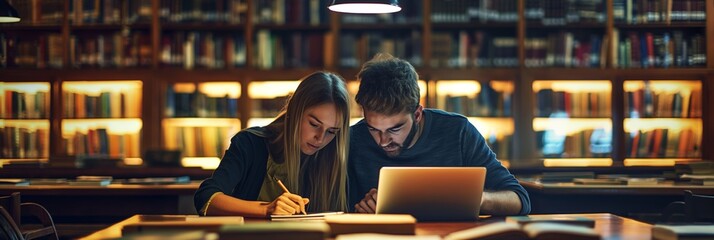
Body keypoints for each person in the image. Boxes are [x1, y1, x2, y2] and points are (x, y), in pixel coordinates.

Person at [348, 54, 531, 215]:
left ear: (417, 114)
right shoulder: (353, 139)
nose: (383, 141)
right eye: (373, 128)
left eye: (394, 129)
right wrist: (363, 209)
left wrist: (475, 199)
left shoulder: (458, 131)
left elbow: (519, 200)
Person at [194, 71, 350, 217]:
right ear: (295, 112)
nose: (320, 138)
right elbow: (206, 198)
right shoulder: (250, 144)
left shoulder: (334, 153)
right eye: (314, 124)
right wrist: (266, 208)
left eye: (332, 131)